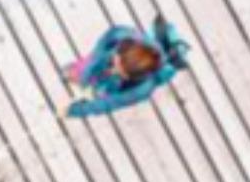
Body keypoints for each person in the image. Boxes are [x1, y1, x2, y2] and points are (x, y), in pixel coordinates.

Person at [63, 19, 193, 118]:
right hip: (106, 58)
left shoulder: (142, 90)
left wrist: (73, 111)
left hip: (116, 84)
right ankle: (83, 77)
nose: (113, 70)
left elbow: (108, 103)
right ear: (123, 47)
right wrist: (89, 70)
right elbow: (101, 47)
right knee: (85, 71)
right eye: (116, 63)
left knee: (101, 90)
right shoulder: (123, 35)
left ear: (131, 77)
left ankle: (93, 83)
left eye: (121, 73)